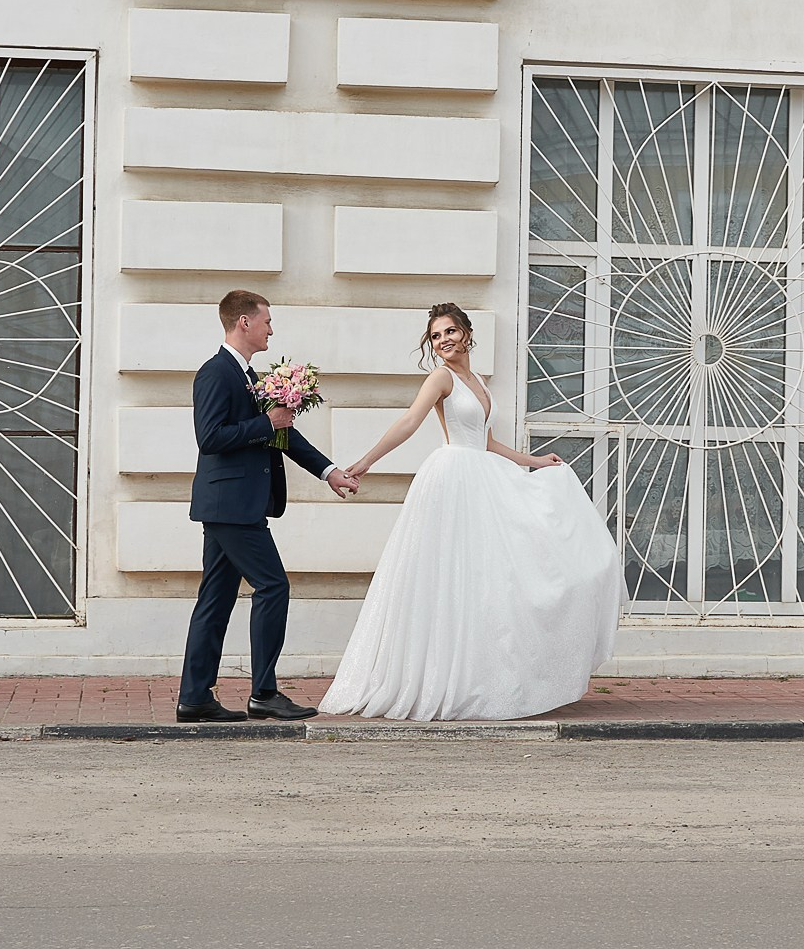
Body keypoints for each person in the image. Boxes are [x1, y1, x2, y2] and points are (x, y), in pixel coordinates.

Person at [319, 303, 621, 721]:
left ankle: (485, 673)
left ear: (466, 333)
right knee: (449, 577)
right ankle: (440, 676)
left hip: (484, 475)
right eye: (436, 335)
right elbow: (410, 421)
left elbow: (488, 442)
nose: (442, 340)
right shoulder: (440, 378)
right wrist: (367, 462)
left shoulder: (477, 380)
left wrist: (535, 461)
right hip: (452, 478)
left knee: (492, 579)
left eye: (449, 331)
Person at [176, 290, 359, 724]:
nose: (271, 330)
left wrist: (329, 470)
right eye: (267, 321)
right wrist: (266, 421)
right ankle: (264, 693)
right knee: (273, 586)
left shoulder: (250, 377)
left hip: (235, 506)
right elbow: (211, 437)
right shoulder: (215, 373)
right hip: (230, 505)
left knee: (215, 601)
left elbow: (284, 436)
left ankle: (195, 699)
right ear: (243, 322)